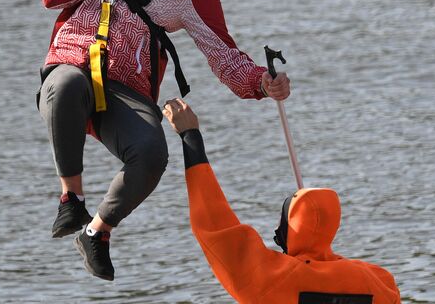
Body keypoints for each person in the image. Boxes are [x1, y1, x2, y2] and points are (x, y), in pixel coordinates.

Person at [37, 0, 291, 281]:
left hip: (126, 90)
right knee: (68, 83)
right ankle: (71, 198)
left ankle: (97, 232)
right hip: (70, 68)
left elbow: (225, 56)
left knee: (153, 153)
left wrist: (260, 83)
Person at [162, 98, 401, 304]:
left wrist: (189, 135)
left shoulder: (272, 279)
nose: (277, 230)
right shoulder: (379, 280)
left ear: (289, 230)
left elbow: (216, 225)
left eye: (282, 223)